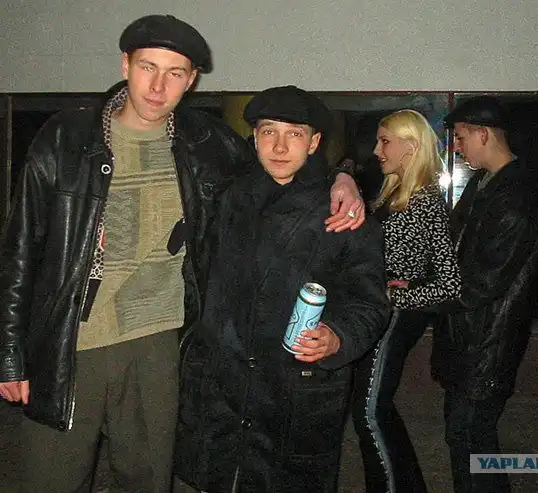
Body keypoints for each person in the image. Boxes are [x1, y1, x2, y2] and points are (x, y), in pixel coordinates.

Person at [0, 16, 364, 493]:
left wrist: (341, 177)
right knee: (50, 480)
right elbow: (21, 248)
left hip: (160, 342)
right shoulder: (65, 136)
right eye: (147, 67)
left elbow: (280, 166)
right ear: (125, 65)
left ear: (191, 80)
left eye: (174, 73)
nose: (158, 86)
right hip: (69, 340)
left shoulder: (205, 142)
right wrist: (10, 353)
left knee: (148, 480)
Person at [173, 85, 390, 493]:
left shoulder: (342, 214)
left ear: (314, 142)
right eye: (269, 131)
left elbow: (370, 302)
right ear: (254, 137)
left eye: (294, 133)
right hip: (222, 387)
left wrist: (338, 335)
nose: (279, 146)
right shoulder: (223, 198)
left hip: (294, 392)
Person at [432, 96, 538, 493]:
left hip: (487, 342)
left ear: (484, 134)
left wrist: (420, 295)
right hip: (469, 339)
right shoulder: (484, 183)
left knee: (470, 441)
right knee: (467, 439)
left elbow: (482, 282)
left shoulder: (516, 195)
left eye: (461, 137)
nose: (456, 147)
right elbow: (453, 247)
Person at [350, 109, 461, 493]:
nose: (376, 150)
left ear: (411, 147)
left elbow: (450, 285)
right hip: (384, 312)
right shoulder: (396, 191)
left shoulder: (425, 199)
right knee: (374, 411)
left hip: (397, 315)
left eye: (385, 141)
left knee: (368, 412)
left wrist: (396, 294)